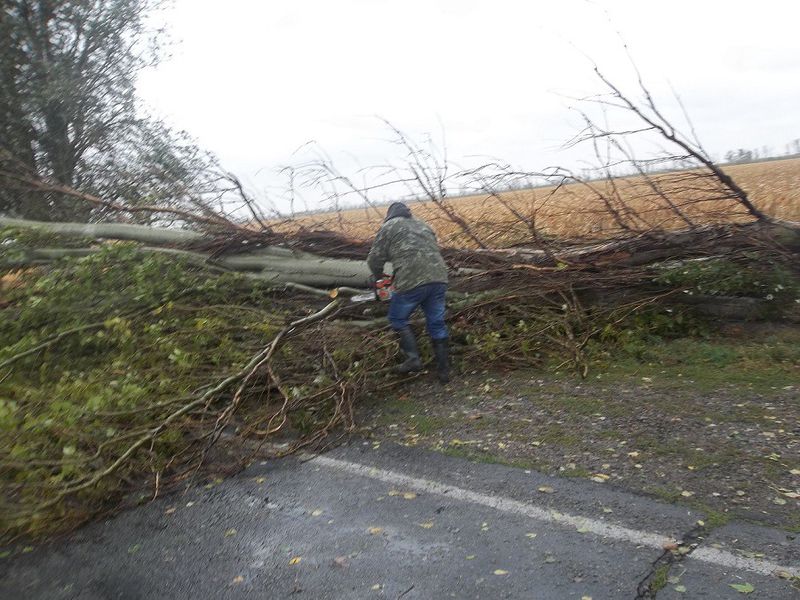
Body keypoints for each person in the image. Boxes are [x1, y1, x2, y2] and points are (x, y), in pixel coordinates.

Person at [366, 202, 450, 383]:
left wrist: (379, 276)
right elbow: (426, 251)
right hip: (439, 278)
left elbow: (374, 259)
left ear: (390, 215)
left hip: (412, 281)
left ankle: (413, 359)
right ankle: (444, 372)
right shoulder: (423, 225)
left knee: (397, 318)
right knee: (436, 323)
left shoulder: (389, 226)